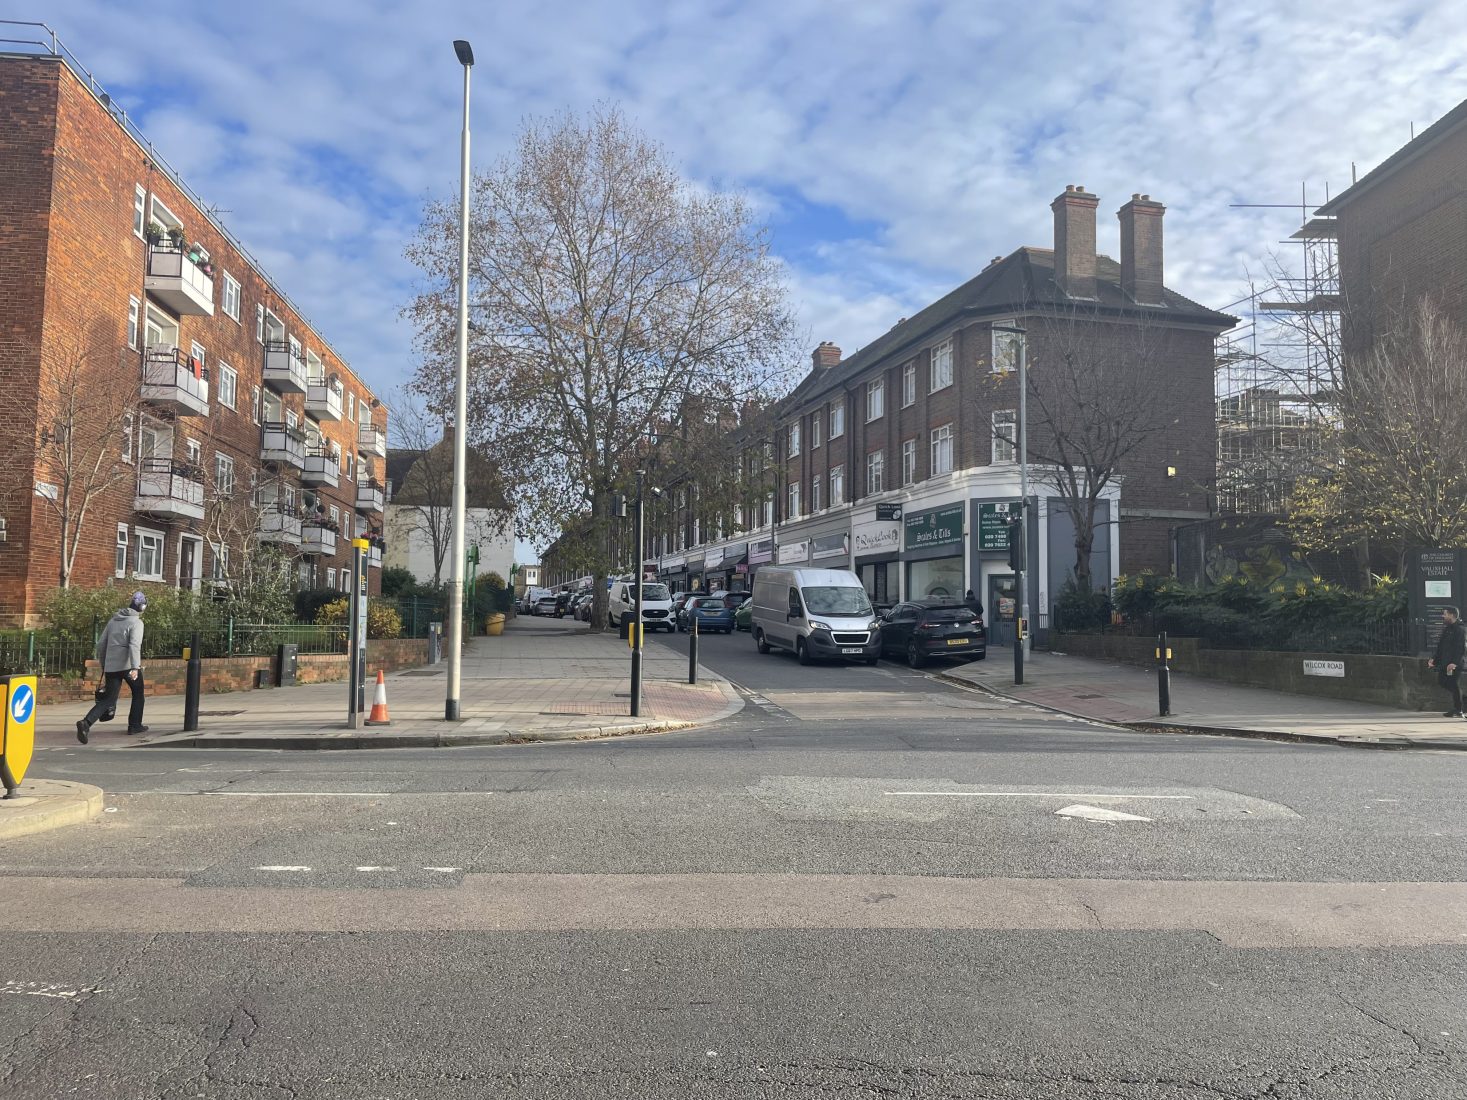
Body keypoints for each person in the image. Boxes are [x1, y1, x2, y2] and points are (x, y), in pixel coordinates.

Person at [76, 591, 149, 743]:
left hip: (111, 666)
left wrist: (104, 664)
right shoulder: (136, 623)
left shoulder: (113, 621)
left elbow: (101, 644)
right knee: (138, 692)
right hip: (128, 666)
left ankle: (86, 723)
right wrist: (135, 667)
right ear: (141, 607)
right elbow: (134, 645)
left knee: (109, 699)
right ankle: (134, 725)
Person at [1427, 605, 1466, 718]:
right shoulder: (1447, 629)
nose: (1443, 616)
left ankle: (1458, 709)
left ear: (1452, 615)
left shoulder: (1460, 629)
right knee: (1442, 681)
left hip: (1454, 664)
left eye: (1445, 614)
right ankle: (1461, 700)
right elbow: (1441, 647)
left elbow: (1461, 648)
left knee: (1454, 684)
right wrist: (1434, 659)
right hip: (1445, 662)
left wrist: (1454, 662)